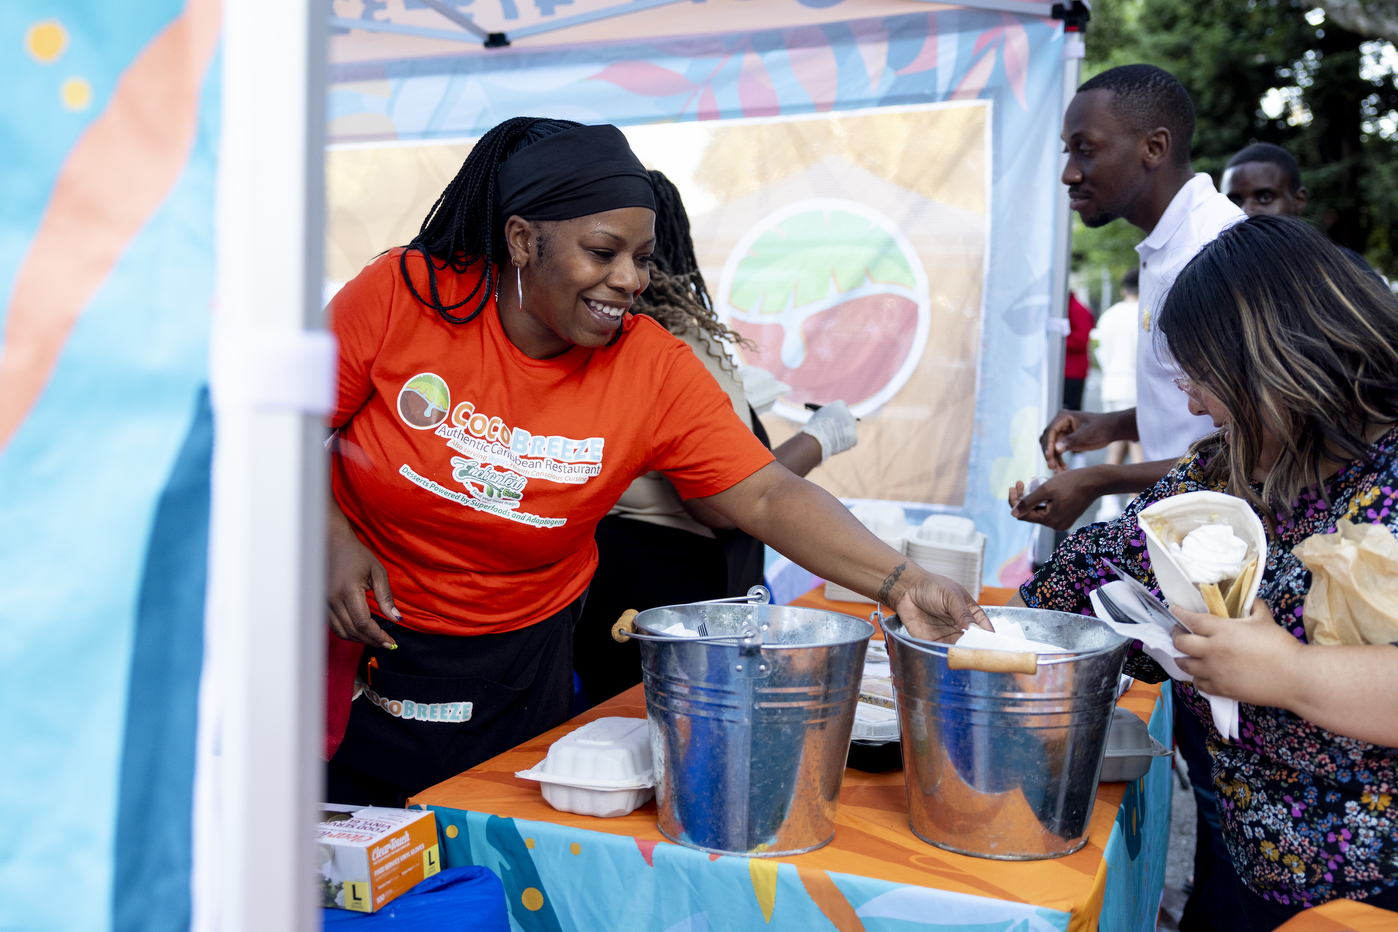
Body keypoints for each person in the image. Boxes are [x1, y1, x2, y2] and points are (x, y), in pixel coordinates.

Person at [322, 117, 985, 805]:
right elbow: (280, 424)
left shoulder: (650, 367)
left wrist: (902, 583)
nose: (630, 279)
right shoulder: (407, 296)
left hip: (517, 660)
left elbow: (764, 495)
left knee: (486, 852)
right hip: (357, 640)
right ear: (522, 240)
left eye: (642, 257)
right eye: (604, 252)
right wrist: (329, 536)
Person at [1014, 215, 1398, 931]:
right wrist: (1004, 632)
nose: (1191, 403)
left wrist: (1290, 673)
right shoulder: (1230, 465)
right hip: (1245, 870)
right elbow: (1109, 558)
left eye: (1203, 378)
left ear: (1277, 359)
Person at [571, 171, 859, 705]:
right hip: (671, 585)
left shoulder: (594, 336)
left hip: (608, 581)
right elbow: (723, 502)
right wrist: (821, 438)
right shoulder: (676, 338)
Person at [1009, 64, 1244, 531]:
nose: (1069, 173)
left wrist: (1099, 480)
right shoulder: (1165, 245)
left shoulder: (1214, 252)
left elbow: (1254, 446)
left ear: (1154, 147)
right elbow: (1202, 412)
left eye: (1086, 150)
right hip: (1179, 529)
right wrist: (1112, 426)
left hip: (1224, 543)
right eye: (1067, 151)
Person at [1222, 142, 1379, 276]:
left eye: (1265, 198)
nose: (1246, 212)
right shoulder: (1215, 279)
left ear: (1299, 200)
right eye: (1234, 201)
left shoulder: (1345, 270)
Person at [1091, 269, 1142, 521]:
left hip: (1111, 383)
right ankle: (1133, 505)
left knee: (1115, 446)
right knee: (1137, 449)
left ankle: (1108, 504)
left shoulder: (1109, 315)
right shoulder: (1143, 313)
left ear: (1124, 289)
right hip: (1134, 385)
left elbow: (1100, 351)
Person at [1062, 292, 1094, 411]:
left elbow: (1080, 341)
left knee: (1069, 412)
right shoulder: (1069, 306)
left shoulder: (1077, 309)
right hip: (1068, 370)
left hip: (1072, 372)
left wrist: (1057, 340)